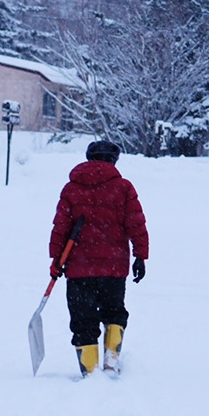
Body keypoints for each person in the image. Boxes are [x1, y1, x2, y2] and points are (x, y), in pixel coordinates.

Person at [49, 139, 149, 377]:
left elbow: (60, 227)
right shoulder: (123, 188)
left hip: (78, 269)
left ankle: (90, 370)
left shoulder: (72, 189)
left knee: (83, 319)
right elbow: (136, 224)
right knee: (114, 311)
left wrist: (56, 260)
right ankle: (111, 361)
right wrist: (140, 256)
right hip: (113, 267)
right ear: (114, 161)